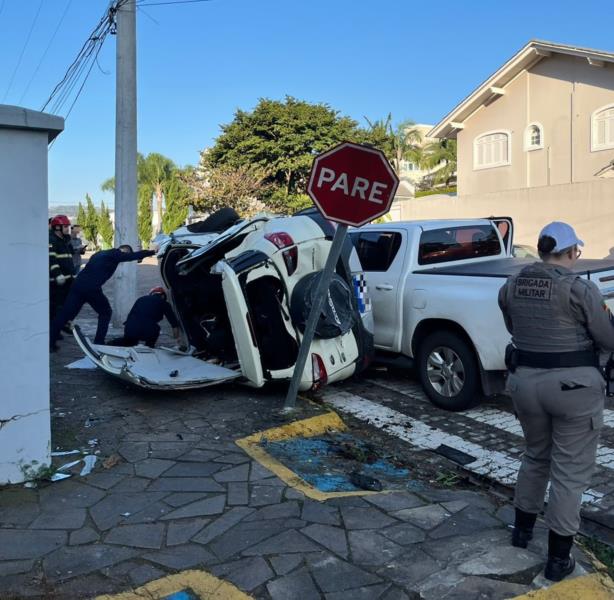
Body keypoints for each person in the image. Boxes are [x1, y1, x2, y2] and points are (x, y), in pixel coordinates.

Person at [498, 221, 614, 582]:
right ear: (572, 253)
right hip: (572, 390)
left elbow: (513, 327)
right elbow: (608, 337)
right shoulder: (579, 289)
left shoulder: (512, 285)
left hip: (524, 384)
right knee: (569, 473)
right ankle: (558, 559)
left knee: (535, 457)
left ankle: (521, 533)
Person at [50, 244, 155, 350]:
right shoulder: (116, 254)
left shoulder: (99, 253)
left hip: (78, 285)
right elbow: (131, 256)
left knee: (64, 314)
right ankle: (99, 342)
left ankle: (50, 342)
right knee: (106, 312)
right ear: (124, 251)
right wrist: (152, 252)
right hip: (91, 288)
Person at [111, 287, 181, 348]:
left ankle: (108, 344)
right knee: (155, 330)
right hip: (148, 330)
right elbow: (174, 323)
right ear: (162, 296)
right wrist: (176, 340)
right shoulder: (164, 303)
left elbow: (131, 316)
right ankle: (150, 347)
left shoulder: (141, 299)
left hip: (130, 328)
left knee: (129, 342)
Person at [49, 215, 75, 323]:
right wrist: (57, 274)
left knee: (66, 305)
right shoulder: (52, 240)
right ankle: (54, 331)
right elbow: (51, 259)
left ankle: (62, 326)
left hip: (68, 280)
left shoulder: (64, 240)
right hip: (57, 282)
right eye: (65, 226)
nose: (67, 229)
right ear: (57, 228)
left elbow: (68, 258)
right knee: (56, 307)